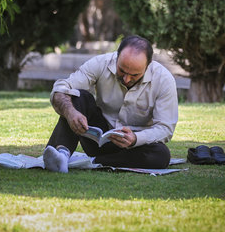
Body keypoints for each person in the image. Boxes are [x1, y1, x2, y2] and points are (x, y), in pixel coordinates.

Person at [43, 35, 178, 173]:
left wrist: (136, 138)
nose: (126, 79)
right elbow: (61, 88)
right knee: (78, 96)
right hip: (97, 139)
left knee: (161, 155)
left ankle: (96, 162)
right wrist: (70, 112)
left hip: (133, 146)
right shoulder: (101, 63)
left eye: (135, 75)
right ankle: (61, 154)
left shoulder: (164, 80)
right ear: (117, 57)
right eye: (122, 71)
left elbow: (165, 128)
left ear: (148, 65)